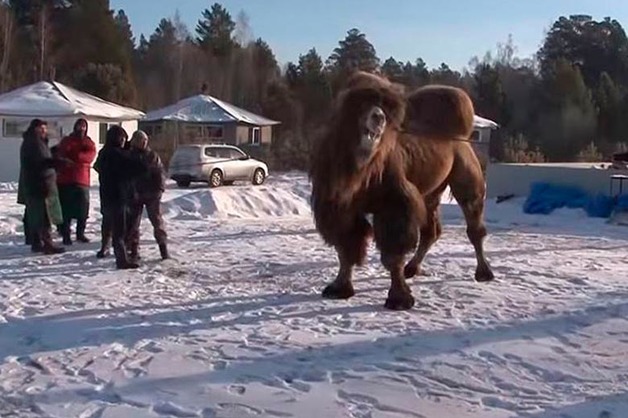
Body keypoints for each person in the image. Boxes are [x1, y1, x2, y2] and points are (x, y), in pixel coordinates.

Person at [93, 125, 147, 269]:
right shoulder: (118, 155)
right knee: (120, 232)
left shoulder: (104, 153)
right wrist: (137, 152)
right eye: (122, 138)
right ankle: (122, 260)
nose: (124, 141)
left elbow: (97, 167)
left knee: (112, 228)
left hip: (107, 196)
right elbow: (140, 168)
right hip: (119, 197)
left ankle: (117, 254)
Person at [18, 119, 65, 254]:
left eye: (45, 128)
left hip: (38, 182)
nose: (44, 131)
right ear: (35, 129)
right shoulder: (33, 143)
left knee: (37, 215)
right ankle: (46, 244)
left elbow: (43, 157)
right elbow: (40, 162)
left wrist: (53, 153)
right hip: (39, 183)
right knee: (43, 216)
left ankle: (37, 242)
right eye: (41, 129)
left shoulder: (37, 142)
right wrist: (57, 162)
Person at [126, 130, 169, 262]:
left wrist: (160, 189)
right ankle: (133, 249)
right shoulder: (129, 156)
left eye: (145, 140)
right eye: (140, 140)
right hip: (135, 193)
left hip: (152, 194)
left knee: (157, 221)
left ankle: (163, 248)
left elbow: (160, 173)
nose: (143, 143)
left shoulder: (152, 155)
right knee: (133, 224)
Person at [55, 118, 97, 245]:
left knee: (83, 210)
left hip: (82, 180)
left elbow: (90, 155)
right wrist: (75, 155)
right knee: (66, 210)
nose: (81, 129)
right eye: (79, 126)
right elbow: (62, 153)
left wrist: (77, 156)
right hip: (66, 180)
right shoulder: (67, 140)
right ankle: (66, 235)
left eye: (83, 127)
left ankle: (80, 234)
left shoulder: (88, 142)